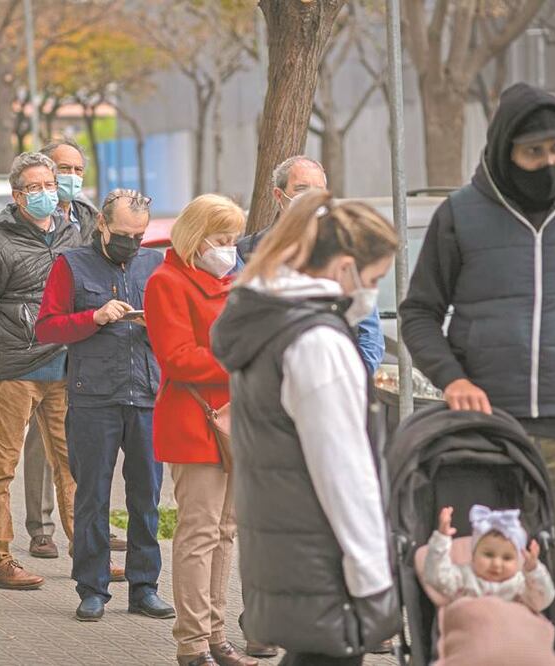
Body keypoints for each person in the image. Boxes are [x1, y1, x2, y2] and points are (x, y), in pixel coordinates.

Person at [400, 82, 555, 650]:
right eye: (536, 152)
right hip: (488, 437)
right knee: (488, 574)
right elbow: (419, 312)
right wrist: (453, 377)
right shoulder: (460, 215)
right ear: (506, 148)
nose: (551, 162)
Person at [212, 191, 400, 665]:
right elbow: (344, 471)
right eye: (374, 279)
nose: (372, 293)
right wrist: (375, 578)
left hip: (290, 555)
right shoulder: (318, 343)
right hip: (326, 562)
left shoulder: (270, 325)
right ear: (343, 266)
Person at [35, 188, 171, 622]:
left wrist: (158, 325)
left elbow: (177, 327)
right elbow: (47, 328)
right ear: (102, 225)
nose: (132, 242)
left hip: (146, 396)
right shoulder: (71, 265)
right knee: (91, 496)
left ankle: (144, 586)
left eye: (140, 234)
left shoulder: (156, 263)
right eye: (124, 233)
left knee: (146, 496)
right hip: (93, 396)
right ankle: (92, 588)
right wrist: (92, 318)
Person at [143, 195, 255, 666]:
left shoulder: (230, 282)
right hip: (196, 422)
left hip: (234, 418)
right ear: (196, 236)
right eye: (221, 239)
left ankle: (216, 635)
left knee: (225, 531)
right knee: (199, 533)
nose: (228, 249)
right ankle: (191, 644)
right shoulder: (166, 282)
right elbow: (177, 358)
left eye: (233, 240)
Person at [0, 151, 79, 590]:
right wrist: (3, 355)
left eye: (50, 184)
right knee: (1, 467)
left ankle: (88, 554)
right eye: (35, 187)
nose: (46, 192)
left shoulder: (72, 235)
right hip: (17, 372)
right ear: (17, 195)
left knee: (74, 466)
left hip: (65, 368)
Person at [23, 138, 108, 560]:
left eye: (77, 169)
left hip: (85, 337)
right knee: (43, 439)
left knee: (83, 436)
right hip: (45, 340)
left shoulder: (90, 217)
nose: (71, 177)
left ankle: (89, 526)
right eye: (63, 169)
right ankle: (41, 527)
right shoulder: (29, 219)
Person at [236, 156, 385, 377]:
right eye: (301, 189)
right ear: (279, 195)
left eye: (318, 190)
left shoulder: (345, 248)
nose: (311, 199)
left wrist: (356, 377)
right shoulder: (249, 251)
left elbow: (368, 329)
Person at [426, 505, 554, 612]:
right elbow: (437, 577)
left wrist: (533, 571)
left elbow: (542, 600)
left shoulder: (520, 586)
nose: (497, 564)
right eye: (488, 555)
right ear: (474, 555)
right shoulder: (463, 578)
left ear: (519, 561)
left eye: (507, 558)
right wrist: (441, 539)